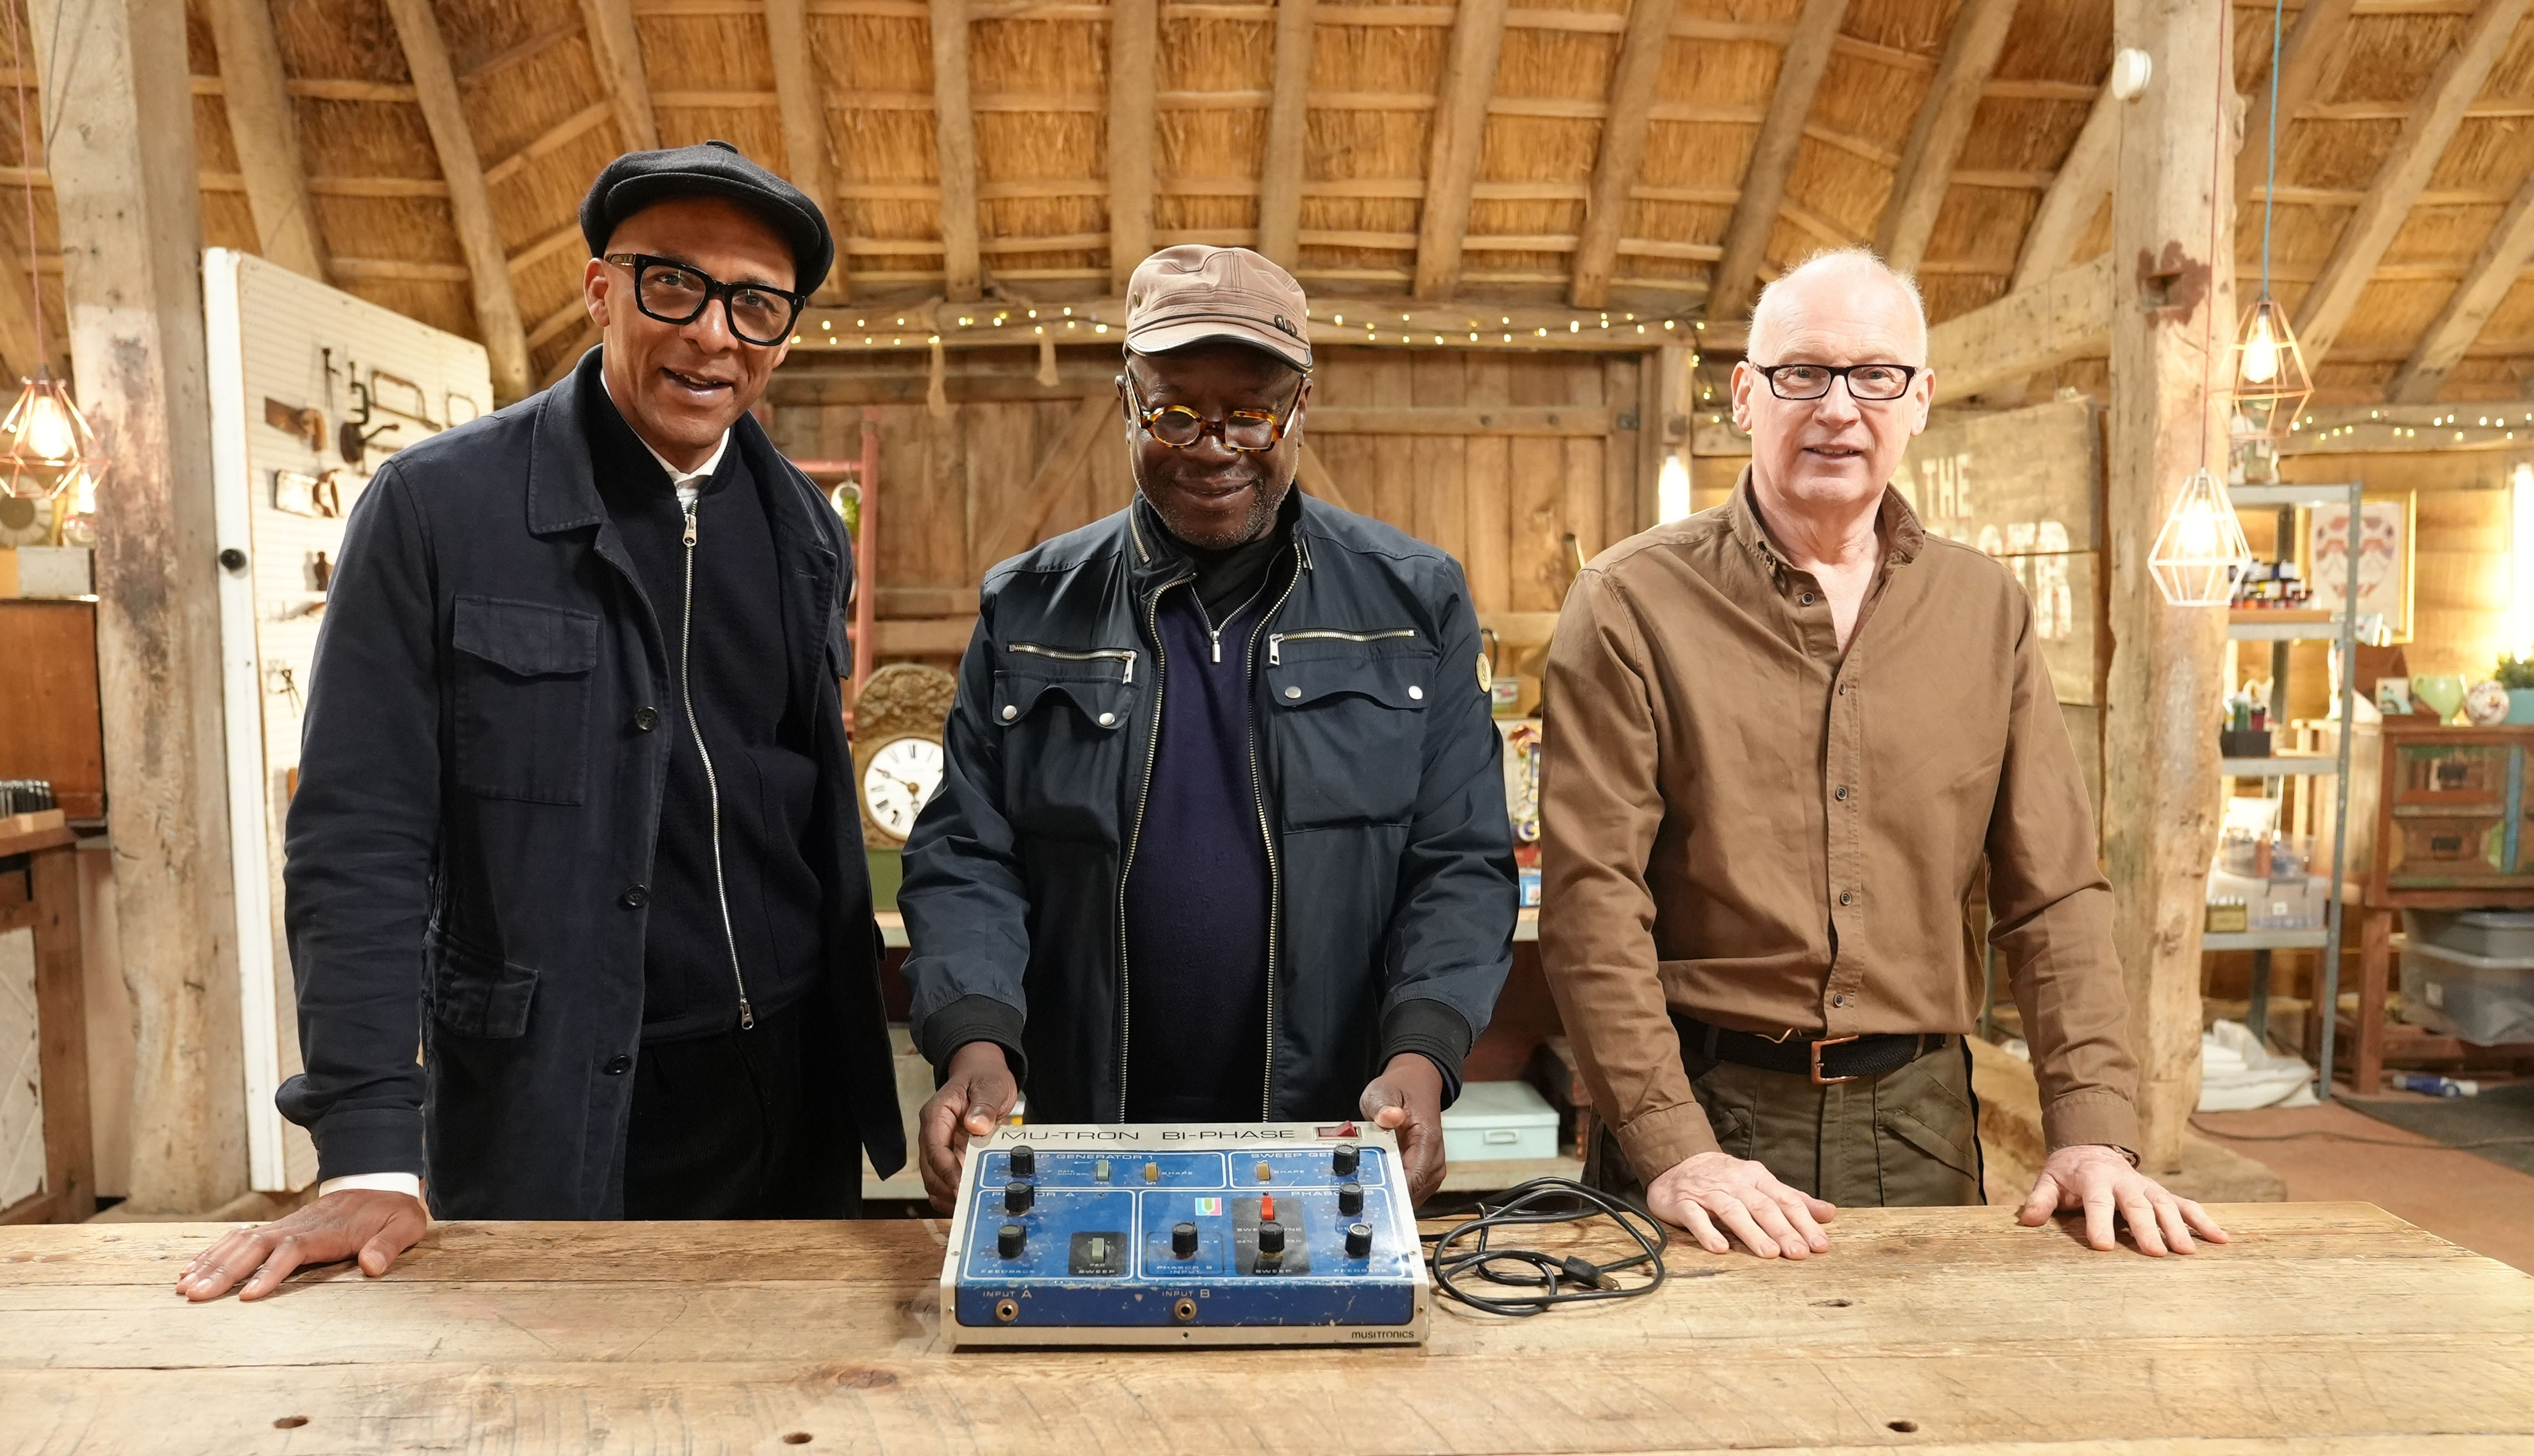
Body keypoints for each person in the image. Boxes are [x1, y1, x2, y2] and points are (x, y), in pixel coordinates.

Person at [178, 142, 904, 1301]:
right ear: (601, 288)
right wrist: (371, 1145)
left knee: (786, 1429)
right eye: (674, 284)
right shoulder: (438, 510)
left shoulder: (805, 532)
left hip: (794, 1087)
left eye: (755, 306)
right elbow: (358, 836)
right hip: (560, 1096)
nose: (713, 333)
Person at [1538, 247, 2226, 1261]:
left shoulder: (1986, 610)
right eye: (1802, 373)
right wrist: (1673, 1145)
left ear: (1920, 402)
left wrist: (2092, 1131)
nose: (1837, 408)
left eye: (1875, 376)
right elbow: (1594, 900)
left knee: (1929, 1403)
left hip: (1921, 1125)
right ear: (1745, 395)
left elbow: (2055, 899)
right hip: (1707, 1124)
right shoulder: (1629, 603)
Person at [898, 245, 1516, 1212]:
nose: (1212, 445)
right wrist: (975, 1041)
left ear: (1301, 409)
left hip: (1331, 1133)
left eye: (1252, 412)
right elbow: (969, 852)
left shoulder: (1414, 603)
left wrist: (1422, 1056)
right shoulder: (1028, 607)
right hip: (1086, 1139)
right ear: (1126, 405)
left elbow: (1460, 862)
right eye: (1174, 410)